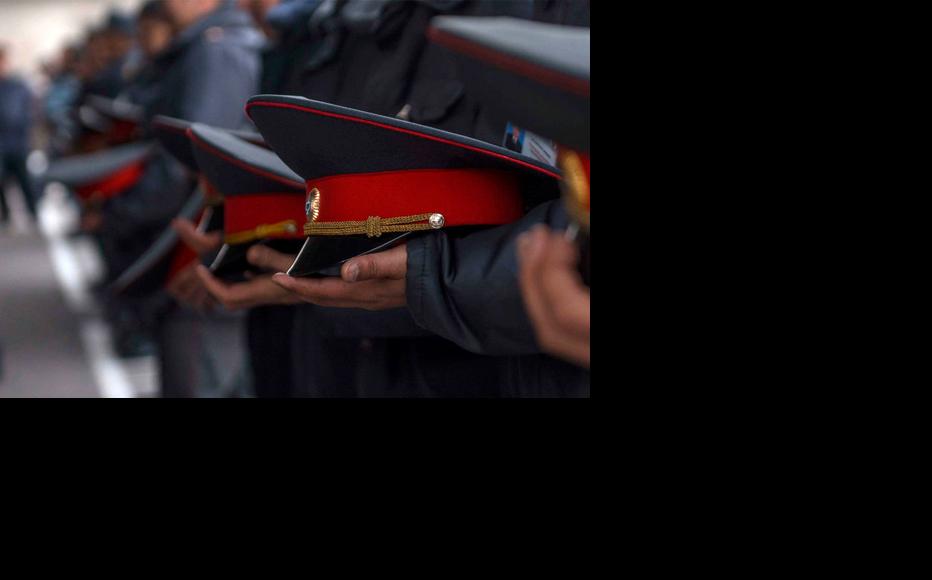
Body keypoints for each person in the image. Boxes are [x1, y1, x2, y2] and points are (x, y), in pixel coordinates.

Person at [0, 44, 38, 225]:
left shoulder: (17, 86)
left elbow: (28, 112)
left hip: (18, 142)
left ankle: (33, 212)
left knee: (25, 180)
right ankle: (5, 215)